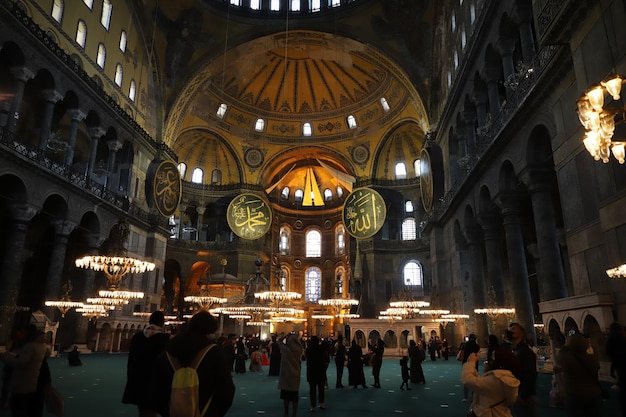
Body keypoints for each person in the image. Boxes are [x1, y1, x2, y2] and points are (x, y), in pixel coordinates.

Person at [152, 311, 235, 417]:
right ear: (210, 330)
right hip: (204, 411)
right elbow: (226, 389)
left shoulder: (169, 349)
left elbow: (156, 386)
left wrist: (167, 411)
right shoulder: (213, 352)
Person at [122, 311, 170, 417]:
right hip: (156, 382)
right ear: (162, 323)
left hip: (138, 380)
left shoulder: (137, 337)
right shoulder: (165, 339)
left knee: (143, 411)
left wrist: (131, 378)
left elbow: (131, 361)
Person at [0, 324, 48, 417]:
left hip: (23, 380)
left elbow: (22, 363)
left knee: (19, 407)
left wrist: (5, 357)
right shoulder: (41, 347)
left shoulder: (30, 347)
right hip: (31, 381)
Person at [462, 348, 521, 417]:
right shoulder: (505, 379)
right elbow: (481, 382)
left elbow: (468, 380)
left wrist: (471, 362)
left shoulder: (497, 380)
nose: (487, 362)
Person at [556, 332, 603, 417]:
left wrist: (567, 345)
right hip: (594, 394)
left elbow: (559, 357)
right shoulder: (593, 358)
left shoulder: (567, 360)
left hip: (575, 395)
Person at [508, 323, 537, 417]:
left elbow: (530, 374)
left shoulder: (525, 352)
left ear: (520, 334)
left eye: (513, 330)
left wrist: (523, 395)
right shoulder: (516, 350)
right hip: (517, 392)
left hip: (524, 395)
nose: (510, 332)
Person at [278, 332, 303, 417]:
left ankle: (286, 413)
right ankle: (294, 414)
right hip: (295, 375)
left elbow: (279, 341)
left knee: (286, 397)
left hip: (286, 375)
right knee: (294, 397)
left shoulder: (286, 350)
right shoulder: (299, 350)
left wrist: (285, 335)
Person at [305, 336, 327, 412]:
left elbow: (307, 358)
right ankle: (321, 403)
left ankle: (313, 406)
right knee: (321, 389)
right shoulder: (320, 348)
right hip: (320, 371)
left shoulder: (308, 349)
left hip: (311, 371)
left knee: (312, 389)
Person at [462, 334, 480, 402]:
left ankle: (465, 397)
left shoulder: (465, 345)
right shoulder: (477, 346)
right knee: (474, 380)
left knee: (466, 380)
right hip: (474, 364)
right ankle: (474, 397)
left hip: (466, 363)